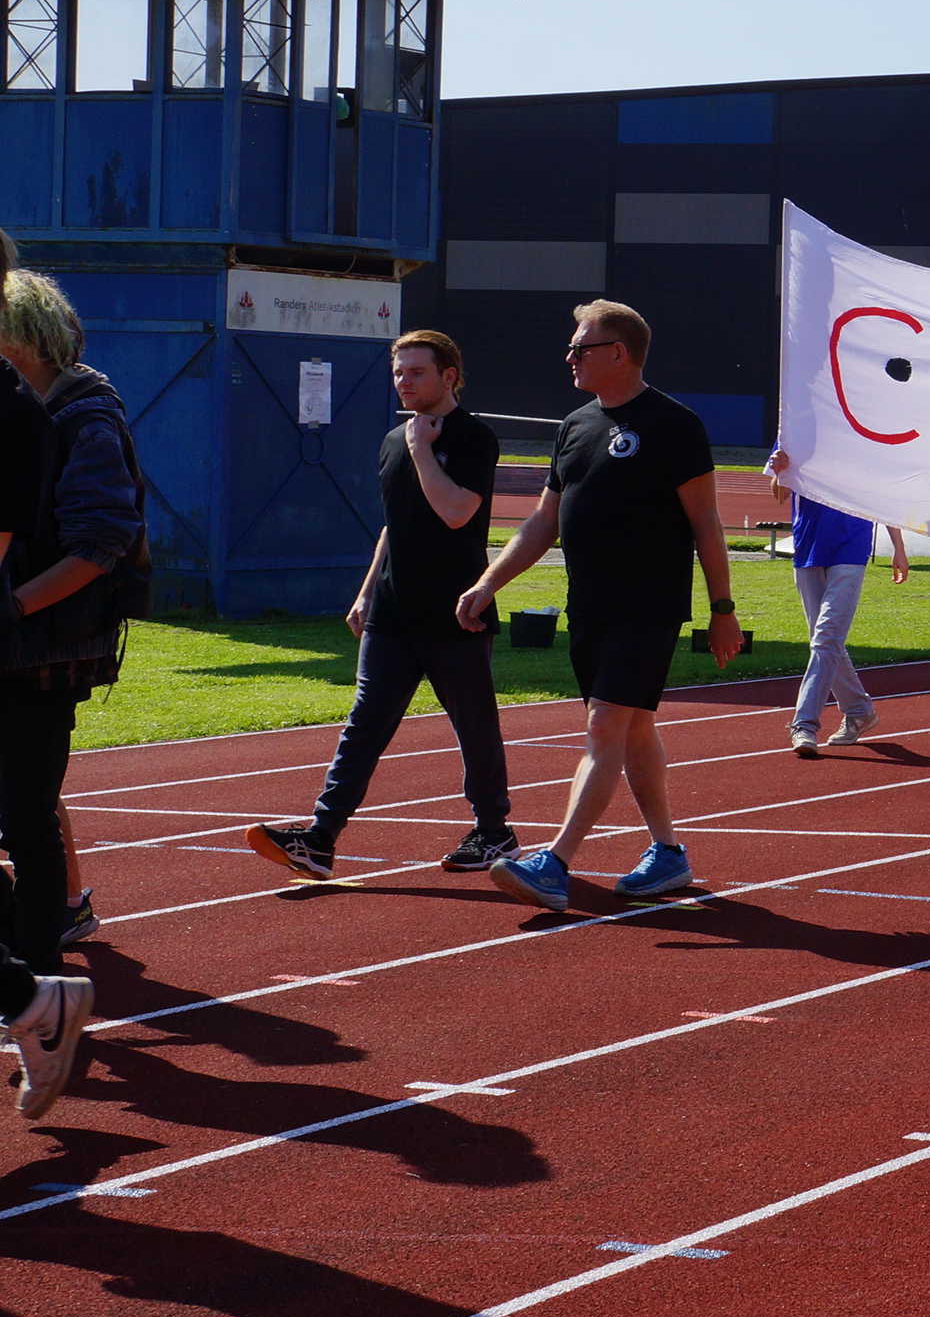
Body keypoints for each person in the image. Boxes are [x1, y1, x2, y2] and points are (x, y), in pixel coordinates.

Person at [465, 300, 737, 912]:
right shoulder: (574, 425)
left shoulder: (674, 424)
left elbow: (706, 521)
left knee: (604, 725)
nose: (569, 357)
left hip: (649, 606)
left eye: (580, 348)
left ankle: (554, 863)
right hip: (589, 607)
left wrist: (722, 609)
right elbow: (543, 522)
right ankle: (668, 852)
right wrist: (488, 583)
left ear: (618, 352)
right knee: (634, 727)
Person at [246, 331, 523, 877]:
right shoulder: (394, 439)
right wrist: (367, 589)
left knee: (474, 726)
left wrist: (422, 450)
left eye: (416, 372)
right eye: (398, 372)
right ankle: (321, 837)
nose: (404, 382)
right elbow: (395, 525)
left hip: (456, 611)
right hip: (393, 613)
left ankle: (494, 832)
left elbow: (455, 513)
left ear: (449, 375)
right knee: (364, 725)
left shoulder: (473, 438)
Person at [0, 262, 125, 1116]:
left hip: (44, 651)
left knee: (27, 818)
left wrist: (10, 607)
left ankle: (39, 985)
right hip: (13, 640)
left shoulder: (82, 416)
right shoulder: (28, 410)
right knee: (19, 815)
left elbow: (100, 541)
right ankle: (30, 992)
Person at [762, 439, 907, 754]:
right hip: (808, 547)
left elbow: (881, 496)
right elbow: (780, 494)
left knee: (826, 638)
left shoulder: (862, 437)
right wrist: (779, 471)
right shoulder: (792, 433)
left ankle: (804, 725)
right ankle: (859, 711)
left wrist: (898, 547)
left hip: (851, 547)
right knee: (824, 641)